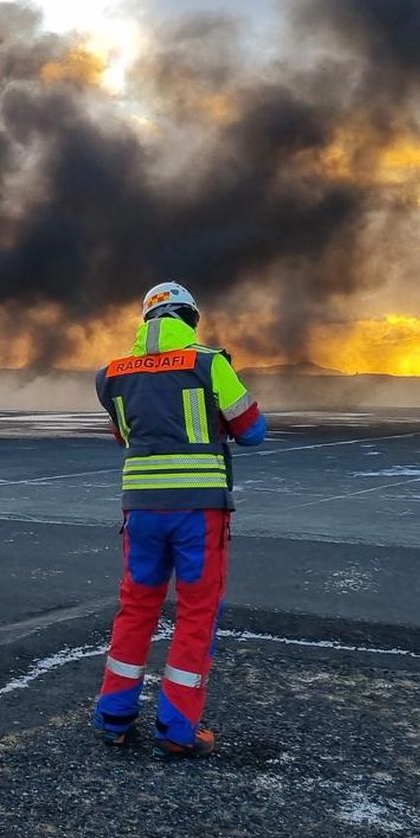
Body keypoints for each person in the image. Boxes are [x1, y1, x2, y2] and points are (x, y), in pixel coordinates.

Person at [91, 281, 267, 759]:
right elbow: (252, 431)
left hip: (141, 511)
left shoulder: (111, 374)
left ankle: (114, 720)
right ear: (190, 318)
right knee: (195, 614)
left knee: (136, 609)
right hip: (198, 513)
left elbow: (124, 436)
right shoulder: (210, 363)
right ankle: (178, 729)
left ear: (146, 319)